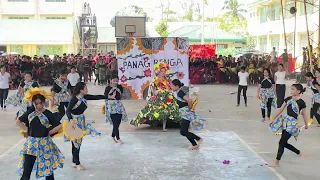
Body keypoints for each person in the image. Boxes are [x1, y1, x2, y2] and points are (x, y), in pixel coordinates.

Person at [16, 88, 64, 180]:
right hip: (31, 144)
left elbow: (59, 125)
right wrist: (28, 130)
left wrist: (48, 132)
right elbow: (18, 122)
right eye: (36, 103)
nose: (38, 106)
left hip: (45, 144)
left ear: (43, 102)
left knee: (48, 171)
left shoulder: (47, 113)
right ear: (33, 103)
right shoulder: (30, 113)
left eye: (40, 103)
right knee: (26, 171)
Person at [64, 82, 107, 170]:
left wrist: (108, 97)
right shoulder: (74, 99)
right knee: (76, 143)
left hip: (81, 121)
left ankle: (74, 161)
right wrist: (71, 121)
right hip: (74, 122)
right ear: (81, 90)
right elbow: (68, 111)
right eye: (86, 88)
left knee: (77, 143)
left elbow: (96, 97)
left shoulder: (84, 97)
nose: (87, 90)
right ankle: (77, 163)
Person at [130, 62, 180, 131]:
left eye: (164, 71)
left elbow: (171, 88)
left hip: (167, 98)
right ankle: (152, 122)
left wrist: (167, 91)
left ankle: (164, 126)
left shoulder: (168, 80)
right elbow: (154, 92)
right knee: (152, 110)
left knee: (169, 108)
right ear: (158, 72)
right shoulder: (154, 80)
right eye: (161, 71)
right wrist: (160, 92)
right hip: (158, 98)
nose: (163, 73)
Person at [268, 84, 308, 167]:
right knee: (283, 142)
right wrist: (272, 119)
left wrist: (306, 124)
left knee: (281, 142)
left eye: (293, 89)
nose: (291, 91)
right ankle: (299, 152)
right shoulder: (288, 99)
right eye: (291, 89)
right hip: (286, 122)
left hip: (293, 125)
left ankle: (276, 162)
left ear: (298, 91)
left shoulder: (301, 102)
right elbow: (280, 109)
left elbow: (304, 114)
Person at [170, 79, 205, 150]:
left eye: (172, 86)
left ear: (177, 86)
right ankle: (195, 145)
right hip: (184, 114)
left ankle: (198, 139)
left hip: (186, 114)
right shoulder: (177, 92)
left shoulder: (180, 93)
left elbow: (189, 100)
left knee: (183, 131)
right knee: (184, 131)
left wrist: (189, 109)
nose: (171, 87)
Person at [104, 75, 128, 144]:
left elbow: (121, 95)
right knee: (115, 123)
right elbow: (105, 97)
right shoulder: (108, 88)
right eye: (114, 81)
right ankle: (118, 138)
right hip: (111, 106)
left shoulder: (119, 87)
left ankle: (112, 135)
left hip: (119, 105)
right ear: (110, 80)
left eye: (117, 81)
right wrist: (106, 106)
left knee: (118, 122)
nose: (115, 82)